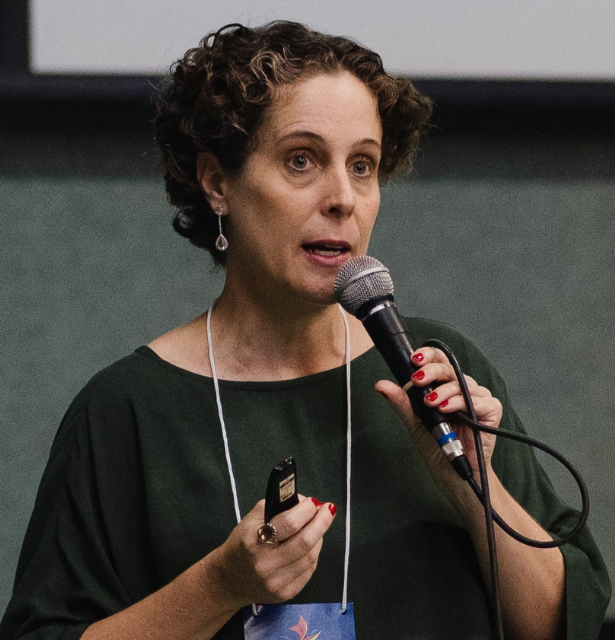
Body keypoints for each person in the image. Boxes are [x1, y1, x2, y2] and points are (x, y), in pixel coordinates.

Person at [0, 21, 610, 640]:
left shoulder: (439, 372)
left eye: (363, 165)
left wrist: (474, 485)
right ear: (217, 182)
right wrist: (219, 586)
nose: (344, 198)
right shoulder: (126, 411)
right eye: (301, 160)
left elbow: (561, 626)